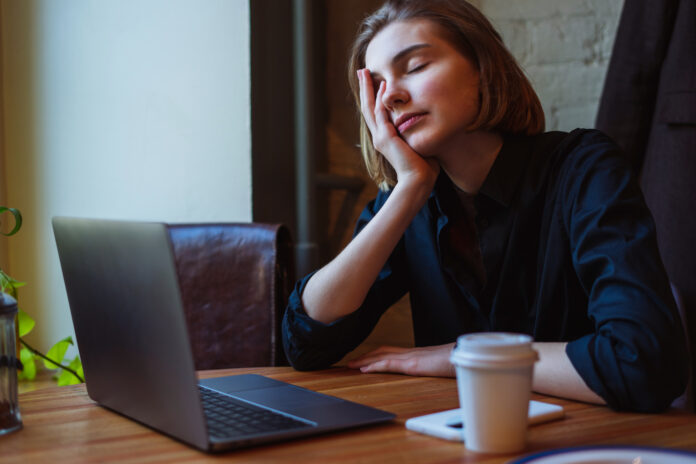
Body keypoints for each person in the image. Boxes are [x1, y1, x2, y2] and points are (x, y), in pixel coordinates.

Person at [282, 0, 688, 412]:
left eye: (416, 66)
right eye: (378, 86)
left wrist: (460, 357)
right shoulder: (409, 201)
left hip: (587, 443)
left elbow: (644, 363)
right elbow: (307, 341)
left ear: (481, 67)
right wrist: (408, 191)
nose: (392, 98)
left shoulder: (582, 168)